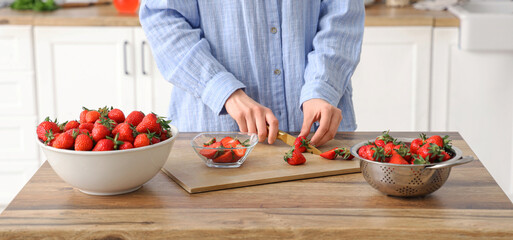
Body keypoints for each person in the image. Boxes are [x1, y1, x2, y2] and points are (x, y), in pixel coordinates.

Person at [139, 0, 364, 147]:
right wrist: (223, 90)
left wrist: (322, 87)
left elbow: (342, 15)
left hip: (321, 134)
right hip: (216, 137)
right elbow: (163, 18)